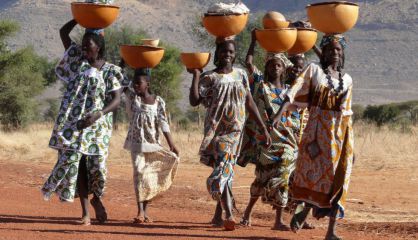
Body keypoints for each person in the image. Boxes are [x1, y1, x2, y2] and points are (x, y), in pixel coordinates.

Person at [41, 19, 123, 226]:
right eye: (83, 45)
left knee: (97, 167)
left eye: (89, 46)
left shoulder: (111, 70)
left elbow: (116, 100)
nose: (84, 49)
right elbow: (63, 31)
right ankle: (85, 213)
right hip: (75, 123)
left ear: (99, 47)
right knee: (78, 165)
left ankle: (97, 199)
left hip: (98, 125)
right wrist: (82, 17)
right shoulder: (77, 61)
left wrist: (98, 114)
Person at [272, 34, 354, 240]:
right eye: (330, 50)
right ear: (323, 53)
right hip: (315, 136)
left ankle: (330, 231)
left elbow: (347, 114)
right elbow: (295, 89)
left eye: (338, 50)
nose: (334, 53)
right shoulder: (314, 70)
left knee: (339, 181)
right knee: (312, 177)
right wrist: (279, 113)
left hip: (339, 137)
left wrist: (352, 147)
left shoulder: (348, 80)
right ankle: (303, 209)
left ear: (342, 53)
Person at [188, 36, 271, 231]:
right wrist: (196, 76)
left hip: (236, 131)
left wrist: (263, 128)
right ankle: (227, 212)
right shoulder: (210, 77)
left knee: (225, 169)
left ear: (235, 56)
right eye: (224, 51)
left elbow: (249, 102)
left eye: (231, 52)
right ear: (218, 54)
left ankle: (222, 213)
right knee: (225, 168)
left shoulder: (241, 75)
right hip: (216, 131)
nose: (227, 55)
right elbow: (194, 101)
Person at [238, 29, 300, 231]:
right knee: (261, 178)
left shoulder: (290, 91)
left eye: (279, 64)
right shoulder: (260, 85)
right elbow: (248, 63)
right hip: (266, 141)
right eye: (272, 64)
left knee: (283, 175)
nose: (275, 67)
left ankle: (278, 220)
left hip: (288, 142)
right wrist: (254, 40)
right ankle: (247, 211)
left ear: (284, 69)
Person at [122, 68, 179, 224]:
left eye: (139, 83)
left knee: (149, 177)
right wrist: (127, 63)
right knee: (139, 174)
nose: (135, 86)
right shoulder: (133, 98)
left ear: (147, 84)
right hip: (136, 144)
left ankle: (145, 212)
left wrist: (171, 144)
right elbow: (122, 82)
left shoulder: (158, 101)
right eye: (134, 83)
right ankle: (140, 211)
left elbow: (163, 122)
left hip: (153, 144)